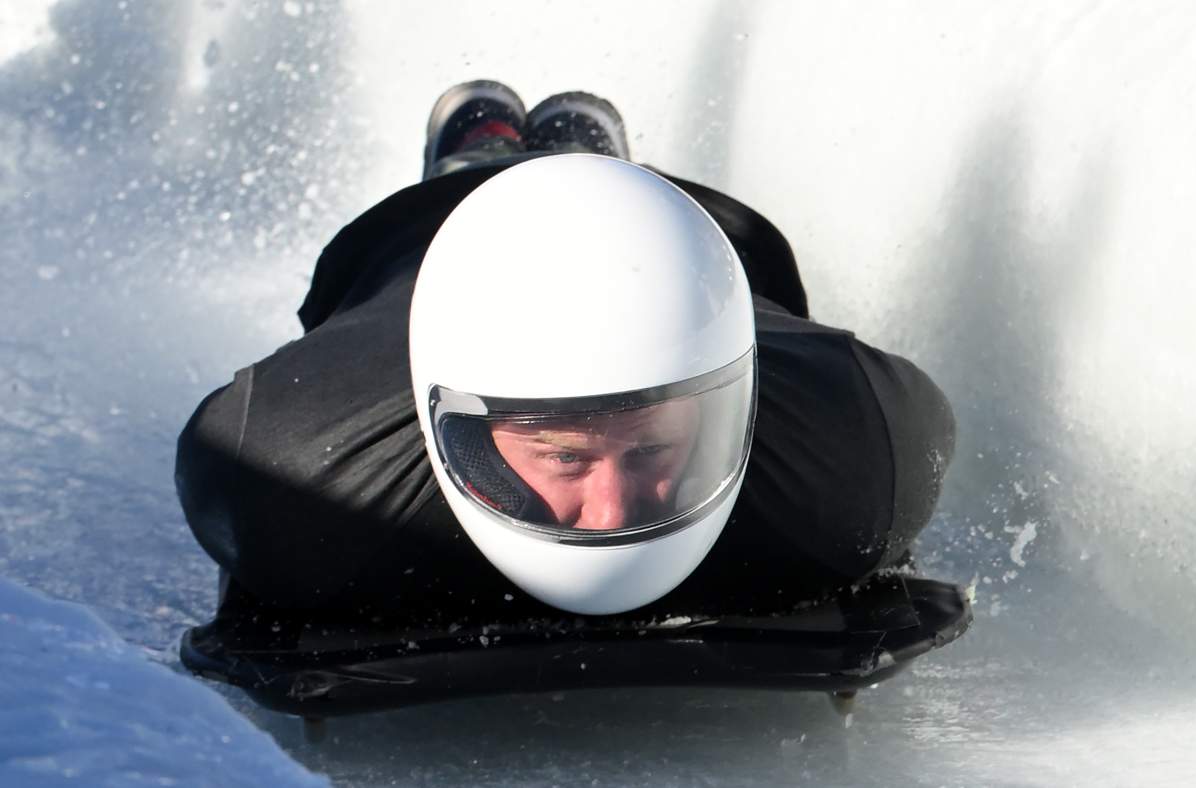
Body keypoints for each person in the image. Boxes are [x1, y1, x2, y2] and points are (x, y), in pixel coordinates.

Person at [175, 81, 955, 620]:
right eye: (566, 456)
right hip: (419, 244)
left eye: (652, 449)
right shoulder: (290, 481)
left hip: (686, 243)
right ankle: (491, 162)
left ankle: (553, 159)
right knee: (422, 239)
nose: (614, 512)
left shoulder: (856, 460)